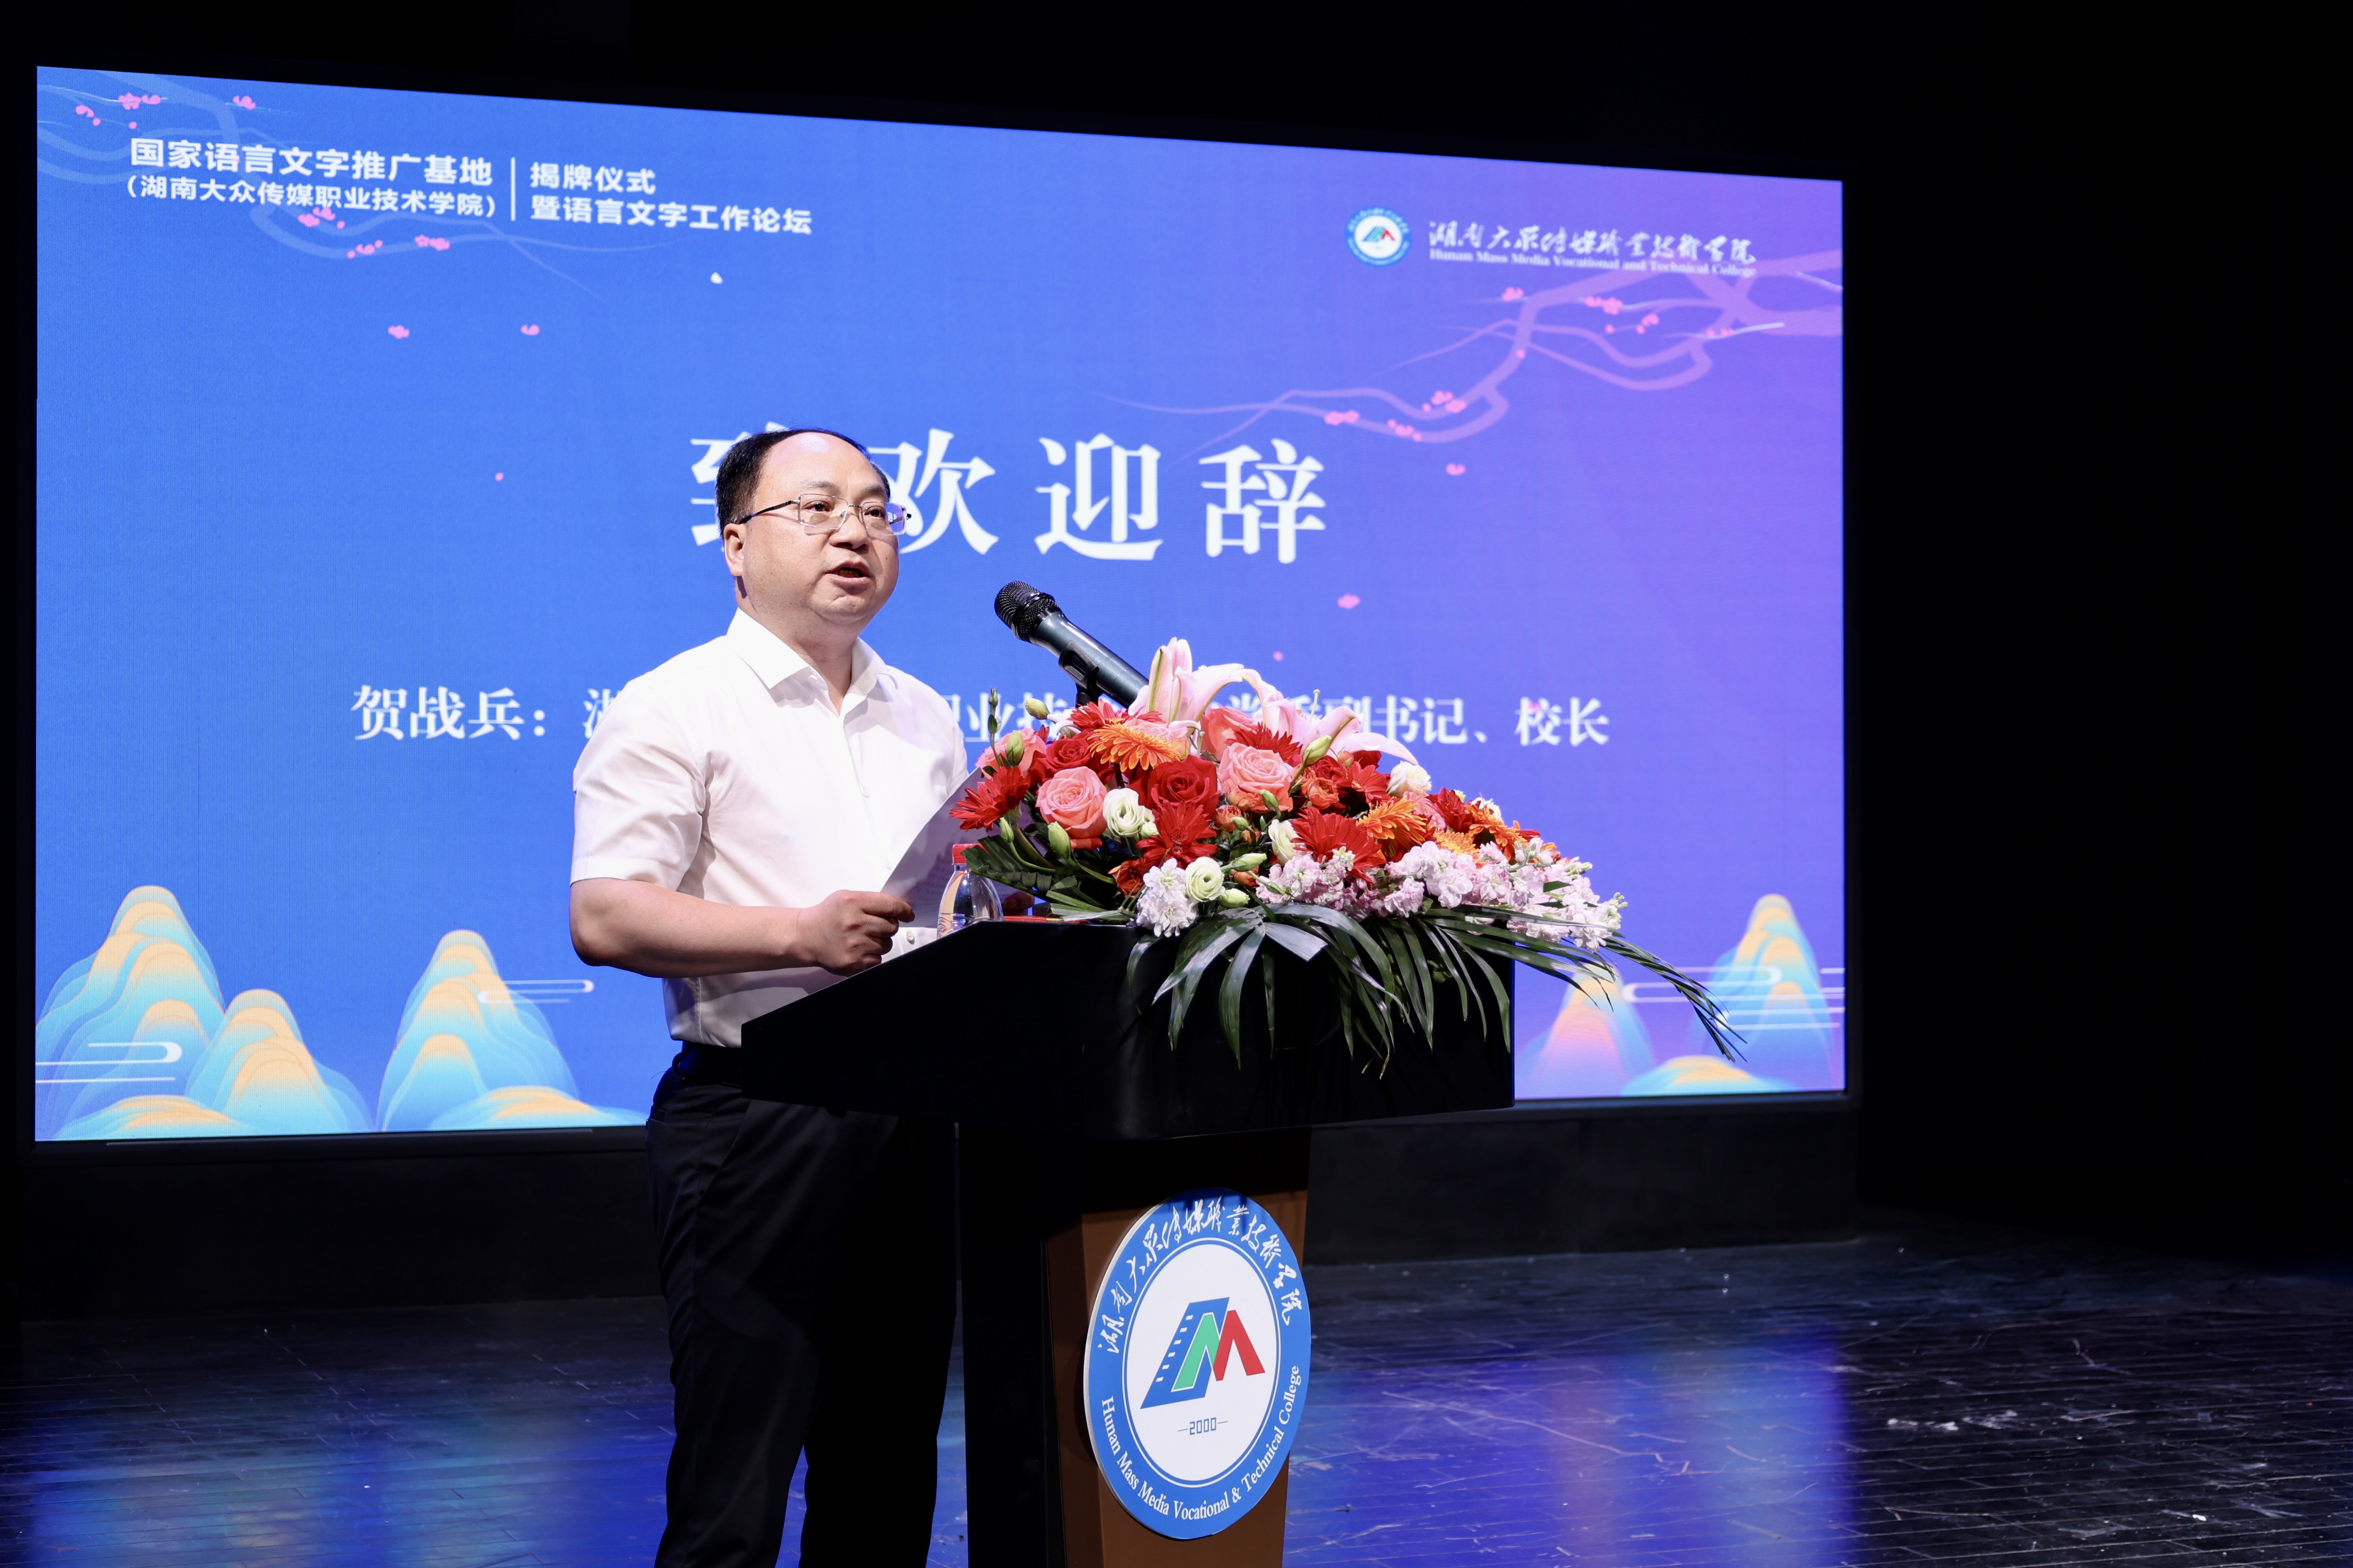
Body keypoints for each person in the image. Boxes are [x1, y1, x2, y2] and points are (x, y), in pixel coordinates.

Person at [568, 428, 964, 1567]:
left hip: (911, 1124)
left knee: (885, 1474)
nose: (856, 533)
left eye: (878, 510)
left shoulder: (926, 716)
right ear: (737, 546)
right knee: (734, 1492)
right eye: (818, 508)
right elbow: (604, 914)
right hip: (758, 1120)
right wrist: (799, 933)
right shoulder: (674, 705)